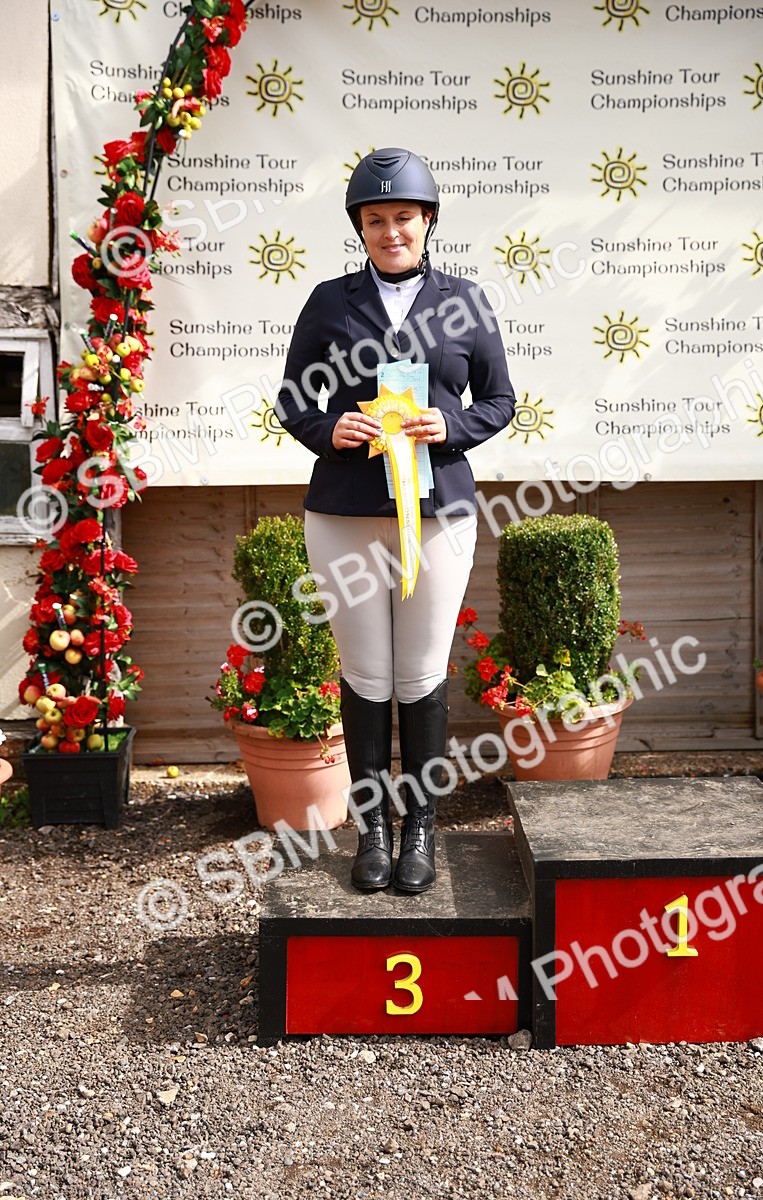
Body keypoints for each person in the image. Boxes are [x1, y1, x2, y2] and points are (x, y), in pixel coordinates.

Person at [277, 147, 515, 894]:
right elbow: (291, 400)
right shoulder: (329, 300)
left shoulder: (466, 301)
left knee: (418, 674)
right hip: (346, 512)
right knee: (366, 675)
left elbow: (500, 400)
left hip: (437, 513)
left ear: (428, 220)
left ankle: (422, 830)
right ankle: (371, 828)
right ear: (361, 227)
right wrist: (328, 430)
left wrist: (452, 428)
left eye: (403, 217)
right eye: (375, 220)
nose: (390, 231)